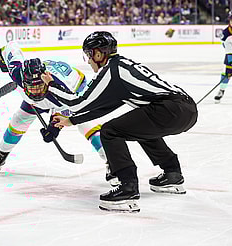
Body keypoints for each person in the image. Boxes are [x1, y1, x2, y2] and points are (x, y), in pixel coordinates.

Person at [41, 31, 198, 212]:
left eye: (89, 55)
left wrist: (51, 85)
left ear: (98, 54)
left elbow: (77, 102)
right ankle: (172, 174)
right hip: (186, 109)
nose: (89, 61)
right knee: (139, 127)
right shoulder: (121, 66)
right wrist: (72, 120)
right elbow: (107, 106)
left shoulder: (111, 72)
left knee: (109, 131)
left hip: (169, 110)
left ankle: (127, 187)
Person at [0, 41, 119, 186]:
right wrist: (2, 59)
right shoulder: (17, 72)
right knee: (19, 120)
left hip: (74, 93)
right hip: (48, 95)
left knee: (86, 125)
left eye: (39, 86)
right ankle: (1, 156)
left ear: (45, 79)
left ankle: (113, 164)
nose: (36, 91)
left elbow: (68, 109)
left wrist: (54, 128)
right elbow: (10, 47)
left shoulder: (61, 87)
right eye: (32, 87)